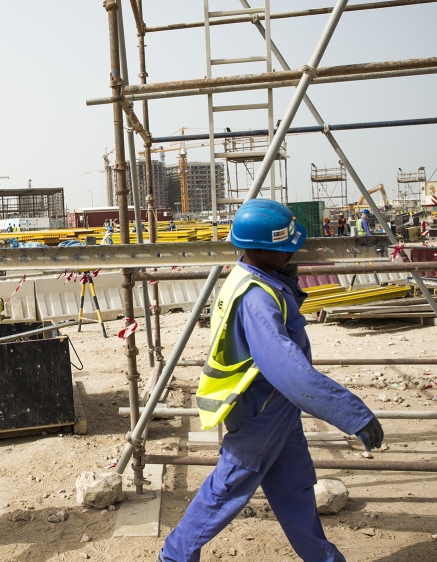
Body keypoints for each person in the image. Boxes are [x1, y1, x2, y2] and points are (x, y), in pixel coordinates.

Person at [159, 199, 383, 562]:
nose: (292, 254)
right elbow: (289, 370)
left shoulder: (253, 277)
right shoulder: (256, 298)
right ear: (260, 250)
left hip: (276, 406)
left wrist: (285, 282)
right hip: (260, 409)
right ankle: (175, 557)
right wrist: (352, 415)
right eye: (285, 249)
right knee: (226, 490)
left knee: (294, 488)